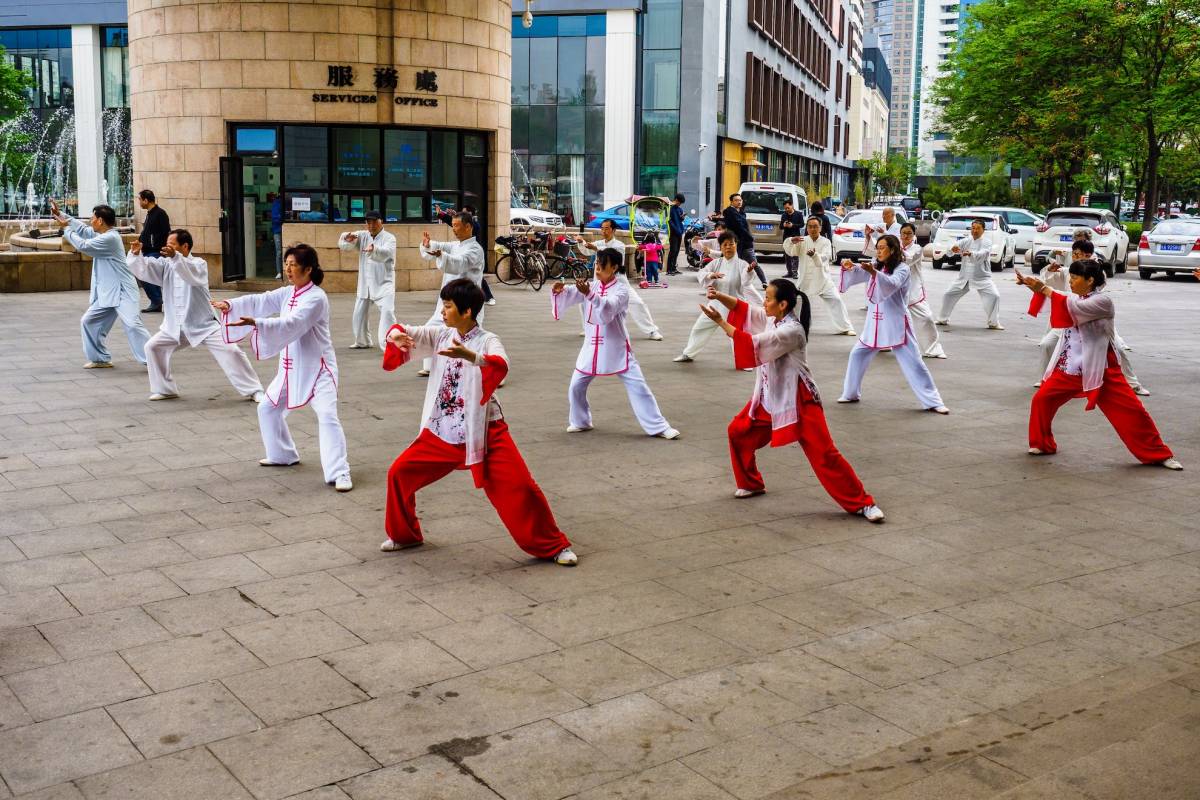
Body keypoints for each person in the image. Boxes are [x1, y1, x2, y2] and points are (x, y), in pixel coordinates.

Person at [380, 278, 578, 564]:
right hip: (441, 431)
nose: (443, 311)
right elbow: (403, 330)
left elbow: (501, 364)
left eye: (447, 306)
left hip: (485, 431)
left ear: (467, 311)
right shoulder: (440, 335)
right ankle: (405, 535)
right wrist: (394, 337)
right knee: (398, 474)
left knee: (521, 486)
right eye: (443, 305)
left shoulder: (488, 339)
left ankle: (553, 546)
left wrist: (471, 356)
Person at [700, 278, 885, 522]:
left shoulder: (792, 331)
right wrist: (720, 297)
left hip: (799, 399)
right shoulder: (773, 317)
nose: (764, 302)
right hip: (770, 394)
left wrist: (720, 322)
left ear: (783, 304)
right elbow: (745, 310)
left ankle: (862, 503)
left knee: (824, 453)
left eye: (768, 298)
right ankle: (751, 483)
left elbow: (753, 344)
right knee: (738, 432)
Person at [213, 244, 353, 492]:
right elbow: (262, 299)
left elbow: (293, 322)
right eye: (286, 263)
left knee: (327, 416)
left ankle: (339, 472)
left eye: (293, 264)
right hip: (290, 367)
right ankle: (283, 454)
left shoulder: (316, 297)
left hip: (319, 369)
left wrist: (258, 322)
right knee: (267, 408)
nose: (288, 269)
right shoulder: (289, 292)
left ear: (308, 269)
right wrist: (230, 304)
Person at [1016, 261, 1180, 470]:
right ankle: (1042, 443)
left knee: (1132, 411)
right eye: (1071, 277)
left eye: (1075, 278)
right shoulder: (1074, 297)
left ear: (1090, 280)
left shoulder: (1103, 301)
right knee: (1042, 400)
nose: (1070, 281)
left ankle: (1158, 454)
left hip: (1101, 369)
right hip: (1070, 367)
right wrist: (1034, 285)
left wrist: (1044, 289)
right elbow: (1062, 298)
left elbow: (1070, 307)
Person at [552, 248, 680, 439]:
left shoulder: (621, 289)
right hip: (591, 348)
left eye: (601, 265)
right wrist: (559, 291)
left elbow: (609, 308)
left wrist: (589, 295)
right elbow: (572, 293)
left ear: (613, 267)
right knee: (576, 386)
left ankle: (658, 426)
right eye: (596, 264)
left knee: (638, 386)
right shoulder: (593, 286)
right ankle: (580, 421)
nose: (597, 269)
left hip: (616, 347)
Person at [129, 229, 263, 402]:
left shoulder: (199, 264)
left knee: (232, 351)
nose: (167, 249)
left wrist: (175, 258)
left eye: (172, 245)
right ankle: (165, 389)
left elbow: (190, 275)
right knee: (152, 347)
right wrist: (135, 253)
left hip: (204, 324)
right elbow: (145, 268)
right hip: (175, 326)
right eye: (167, 245)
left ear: (185, 246)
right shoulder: (166, 264)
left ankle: (254, 390)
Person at [837, 234, 950, 413]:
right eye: (878, 247)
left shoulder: (902, 269)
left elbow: (891, 283)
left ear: (892, 250)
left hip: (896, 322)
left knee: (914, 362)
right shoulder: (877, 265)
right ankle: (850, 393)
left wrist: (873, 273)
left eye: (882, 247)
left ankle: (934, 401)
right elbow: (860, 272)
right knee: (857, 355)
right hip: (873, 324)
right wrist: (850, 267)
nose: (879, 250)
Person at [1034, 239, 1148, 395]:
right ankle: (1044, 380)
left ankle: (1133, 383)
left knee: (1119, 349)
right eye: (1076, 254)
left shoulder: (1095, 274)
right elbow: (1047, 282)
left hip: (1095, 322)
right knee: (1047, 344)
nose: (1072, 280)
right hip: (1071, 321)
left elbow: (1078, 295)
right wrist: (1049, 270)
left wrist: (1050, 291)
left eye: (1084, 255)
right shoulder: (1068, 271)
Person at [53, 200, 151, 369]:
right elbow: (83, 230)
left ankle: (154, 359)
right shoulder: (101, 234)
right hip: (108, 292)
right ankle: (100, 358)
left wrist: (66, 228)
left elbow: (83, 245)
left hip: (123, 291)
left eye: (92, 218)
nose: (90, 221)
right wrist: (61, 215)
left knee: (133, 325)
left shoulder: (111, 238)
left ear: (100, 221)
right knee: (88, 321)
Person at [674, 232, 763, 363]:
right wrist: (711, 275)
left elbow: (746, 282)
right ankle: (688, 354)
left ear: (736, 245)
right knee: (699, 328)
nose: (728, 247)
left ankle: (745, 361)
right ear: (720, 247)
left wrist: (749, 272)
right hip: (715, 304)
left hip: (734, 305)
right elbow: (701, 274)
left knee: (737, 335)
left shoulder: (742, 264)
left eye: (731, 244)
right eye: (725, 244)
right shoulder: (716, 263)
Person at [418, 211, 485, 376]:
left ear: (468, 226)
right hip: (448, 301)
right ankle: (430, 366)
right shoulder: (456, 245)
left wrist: (442, 255)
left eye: (457, 225)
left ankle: (486, 367)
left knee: (471, 338)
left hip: (466, 302)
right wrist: (428, 245)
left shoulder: (475, 250)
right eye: (453, 225)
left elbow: (459, 263)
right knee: (431, 329)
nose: (454, 229)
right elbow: (441, 246)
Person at [581, 219, 663, 340]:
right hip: (601, 282)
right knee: (585, 300)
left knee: (637, 303)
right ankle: (588, 327)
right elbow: (586, 250)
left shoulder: (619, 245)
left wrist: (596, 249)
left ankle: (651, 330)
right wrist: (580, 242)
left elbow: (612, 256)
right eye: (602, 228)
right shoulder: (598, 243)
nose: (604, 231)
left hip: (619, 282)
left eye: (607, 228)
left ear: (613, 230)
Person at [782, 217, 855, 336]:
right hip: (805, 279)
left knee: (836, 299)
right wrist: (791, 240)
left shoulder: (826, 242)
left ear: (820, 228)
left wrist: (815, 255)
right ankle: (789, 325)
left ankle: (845, 327)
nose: (813, 229)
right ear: (807, 228)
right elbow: (791, 252)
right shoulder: (802, 240)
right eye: (810, 226)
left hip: (823, 279)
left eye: (815, 226)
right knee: (796, 301)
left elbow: (825, 257)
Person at [338, 210, 397, 351]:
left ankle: (390, 343)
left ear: (380, 221)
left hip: (384, 283)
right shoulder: (363, 235)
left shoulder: (390, 238)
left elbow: (387, 252)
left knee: (388, 313)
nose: (371, 225)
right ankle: (362, 341)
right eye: (368, 222)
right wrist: (347, 237)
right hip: (366, 283)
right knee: (359, 314)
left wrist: (374, 249)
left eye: (374, 222)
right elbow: (344, 242)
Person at [936, 218, 1003, 329]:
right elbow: (951, 249)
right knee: (948, 294)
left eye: (978, 228)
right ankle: (942, 319)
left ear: (983, 230)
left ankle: (993, 323)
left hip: (982, 277)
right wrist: (953, 248)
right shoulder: (966, 240)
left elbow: (983, 254)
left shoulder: (987, 242)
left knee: (995, 296)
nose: (975, 231)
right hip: (964, 277)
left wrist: (971, 253)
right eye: (973, 228)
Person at [899, 222, 946, 358]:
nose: (906, 236)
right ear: (900, 234)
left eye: (909, 233)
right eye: (904, 233)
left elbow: (907, 259)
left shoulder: (917, 248)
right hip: (895, 288)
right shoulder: (894, 247)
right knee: (887, 318)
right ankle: (884, 344)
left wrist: (894, 250)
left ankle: (933, 348)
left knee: (926, 317)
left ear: (914, 235)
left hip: (913, 289)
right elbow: (875, 253)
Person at [439, 204, 496, 305]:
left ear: (470, 213)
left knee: (479, 278)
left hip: (473, 254)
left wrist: (449, 216)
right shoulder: (468, 223)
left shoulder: (474, 224)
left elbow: (460, 224)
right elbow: (456, 224)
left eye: (465, 212)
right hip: (466, 252)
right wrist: (444, 215)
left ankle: (489, 297)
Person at [722, 193, 768, 289]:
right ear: (731, 202)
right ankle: (729, 282)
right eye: (736, 200)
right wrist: (750, 237)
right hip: (735, 242)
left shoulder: (742, 212)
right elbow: (739, 226)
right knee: (732, 263)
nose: (739, 202)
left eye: (740, 200)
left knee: (753, 262)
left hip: (746, 243)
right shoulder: (729, 212)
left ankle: (764, 282)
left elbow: (745, 227)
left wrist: (748, 237)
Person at [136, 189, 170, 313]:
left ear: (146, 200)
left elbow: (166, 233)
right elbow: (147, 232)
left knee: (144, 273)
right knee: (142, 272)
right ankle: (156, 301)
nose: (138, 202)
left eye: (139, 199)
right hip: (147, 250)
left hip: (156, 251)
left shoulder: (160, 214)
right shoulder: (150, 213)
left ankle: (156, 301)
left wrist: (159, 247)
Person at [780, 200, 806, 277]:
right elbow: (780, 226)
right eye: (785, 208)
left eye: (788, 208)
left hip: (795, 237)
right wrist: (784, 225)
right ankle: (789, 272)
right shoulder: (784, 215)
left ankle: (795, 272)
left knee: (795, 255)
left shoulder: (798, 214)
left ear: (792, 205)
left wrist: (793, 225)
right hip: (786, 238)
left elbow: (802, 224)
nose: (786, 210)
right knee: (787, 255)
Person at [667, 193, 685, 276]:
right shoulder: (670, 208)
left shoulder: (679, 209)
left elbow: (680, 220)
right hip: (673, 233)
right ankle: (669, 269)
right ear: (676, 200)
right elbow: (669, 221)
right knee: (673, 250)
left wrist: (682, 217)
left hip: (679, 232)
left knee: (677, 251)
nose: (679, 204)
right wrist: (676, 229)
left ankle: (674, 268)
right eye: (679, 202)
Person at [269, 193, 284, 280]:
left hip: (284, 230)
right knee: (279, 252)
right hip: (278, 231)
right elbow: (274, 218)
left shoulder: (287, 202)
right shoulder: (277, 203)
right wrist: (284, 217)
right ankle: (279, 272)